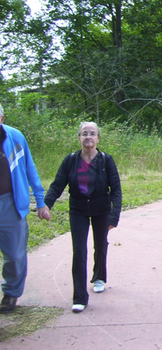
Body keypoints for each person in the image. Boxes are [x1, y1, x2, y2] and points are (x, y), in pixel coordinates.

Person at [44, 122, 122, 313]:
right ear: (79, 138)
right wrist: (46, 204)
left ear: (98, 138)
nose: (88, 137)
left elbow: (116, 190)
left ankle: (98, 277)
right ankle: (79, 297)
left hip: (101, 208)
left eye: (92, 133)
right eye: (84, 133)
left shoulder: (106, 160)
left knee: (100, 244)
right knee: (79, 250)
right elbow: (57, 185)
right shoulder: (70, 160)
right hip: (78, 209)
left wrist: (114, 215)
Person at [0, 103, 49, 314]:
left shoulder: (15, 138)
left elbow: (30, 169)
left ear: (2, 119)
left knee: (15, 255)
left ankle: (11, 294)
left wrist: (40, 201)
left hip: (10, 203)